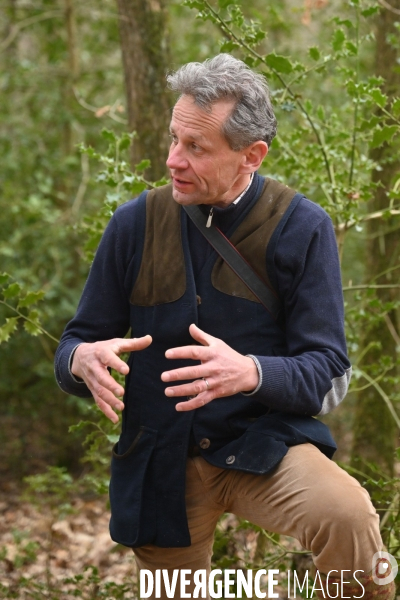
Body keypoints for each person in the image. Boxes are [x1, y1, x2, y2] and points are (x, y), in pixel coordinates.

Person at [55, 54, 394, 599]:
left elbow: (330, 373)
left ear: (251, 155)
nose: (173, 160)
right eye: (173, 140)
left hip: (266, 448)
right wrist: (80, 361)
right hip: (162, 462)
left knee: (348, 515)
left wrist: (251, 372)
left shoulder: (302, 227)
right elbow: (75, 342)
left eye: (196, 148)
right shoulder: (132, 225)